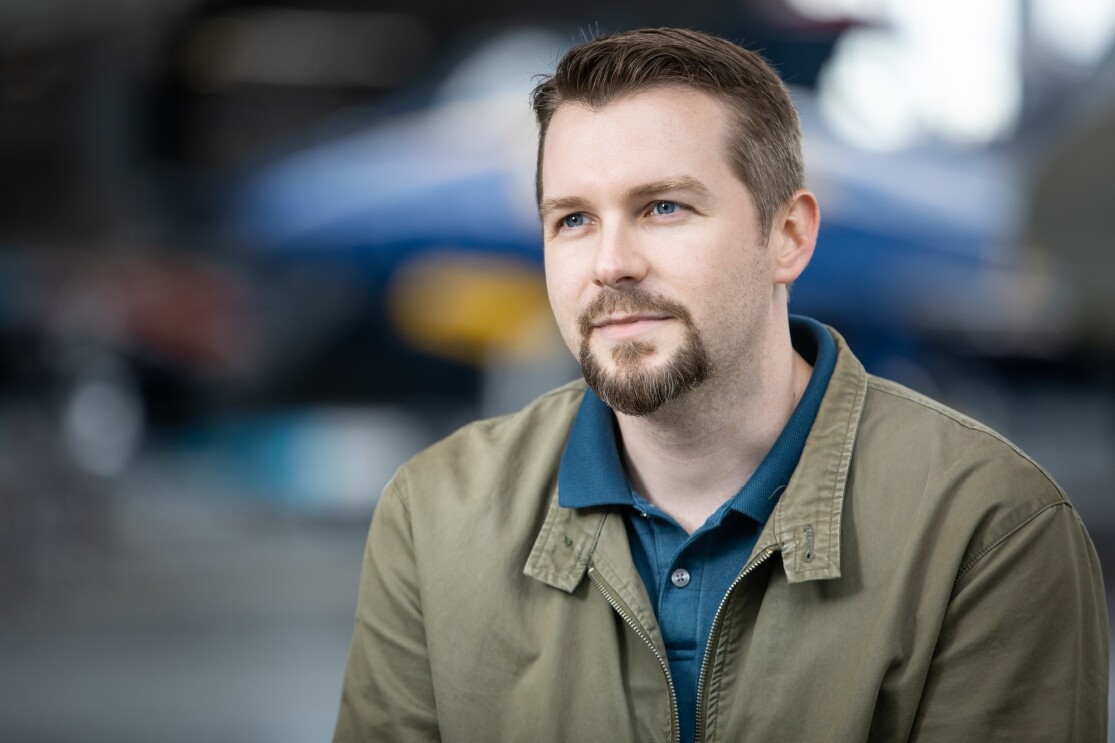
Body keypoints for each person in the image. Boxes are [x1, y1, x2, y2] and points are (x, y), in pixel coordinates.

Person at [333, 27, 1108, 742]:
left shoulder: (989, 528)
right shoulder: (433, 513)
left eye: (662, 206)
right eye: (571, 219)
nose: (610, 263)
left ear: (788, 235)